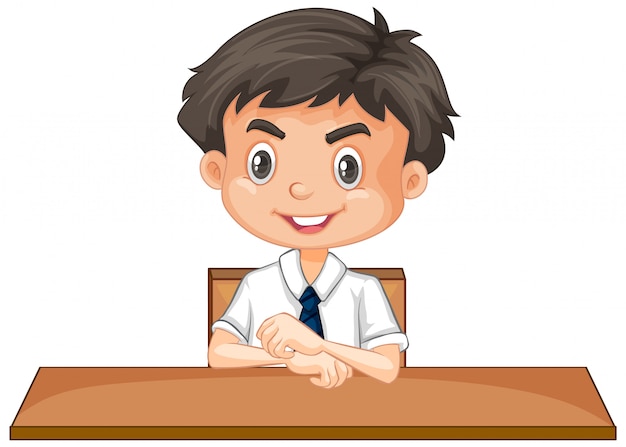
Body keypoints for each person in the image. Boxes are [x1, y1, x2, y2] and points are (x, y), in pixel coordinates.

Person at [178, 8, 456, 388]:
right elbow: (219, 354)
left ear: (409, 180)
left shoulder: (364, 291)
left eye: (347, 168)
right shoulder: (257, 286)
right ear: (216, 170)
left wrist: (315, 345)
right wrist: (291, 362)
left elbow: (389, 368)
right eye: (263, 163)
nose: (301, 190)